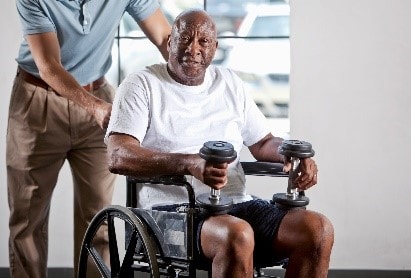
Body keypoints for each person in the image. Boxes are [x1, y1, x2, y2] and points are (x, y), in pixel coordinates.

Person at [106, 9, 334, 278]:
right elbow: (118, 155)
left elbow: (263, 142)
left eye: (203, 41)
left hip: (236, 206)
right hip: (168, 214)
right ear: (169, 43)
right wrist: (190, 164)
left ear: (215, 48)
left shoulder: (229, 83)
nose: (193, 49)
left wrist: (292, 155)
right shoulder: (142, 85)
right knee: (237, 234)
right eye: (184, 39)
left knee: (317, 229)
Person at [7, 0, 171, 277]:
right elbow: (48, 66)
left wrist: (199, 78)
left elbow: (167, 39)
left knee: (98, 217)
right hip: (38, 102)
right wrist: (93, 107)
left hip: (99, 95)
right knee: (27, 220)